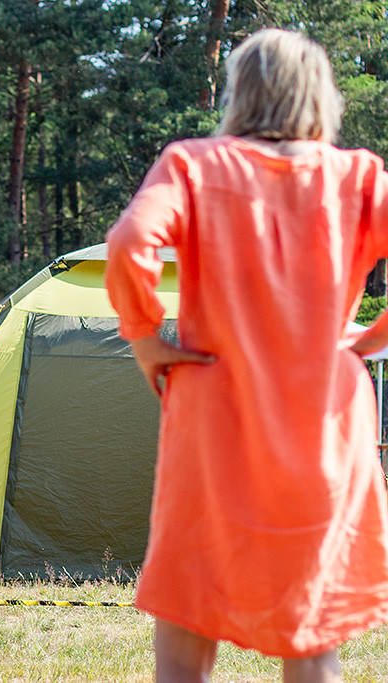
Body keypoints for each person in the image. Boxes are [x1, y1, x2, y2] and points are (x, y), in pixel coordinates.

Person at [104, 29, 388, 682]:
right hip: (325, 420)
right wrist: (373, 338)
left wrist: (147, 337)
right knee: (311, 641)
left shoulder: (194, 164)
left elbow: (129, 242)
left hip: (212, 415)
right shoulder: (358, 175)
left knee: (184, 639)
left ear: (242, 91)